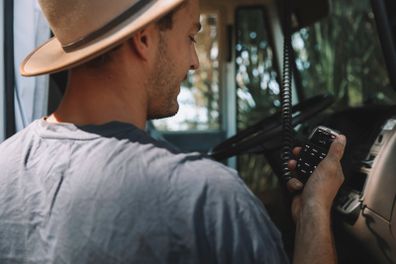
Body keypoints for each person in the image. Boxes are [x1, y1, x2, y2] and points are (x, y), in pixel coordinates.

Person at [0, 0, 346, 263]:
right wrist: (315, 208)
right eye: (190, 36)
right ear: (145, 39)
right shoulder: (207, 199)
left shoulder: (6, 163)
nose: (194, 61)